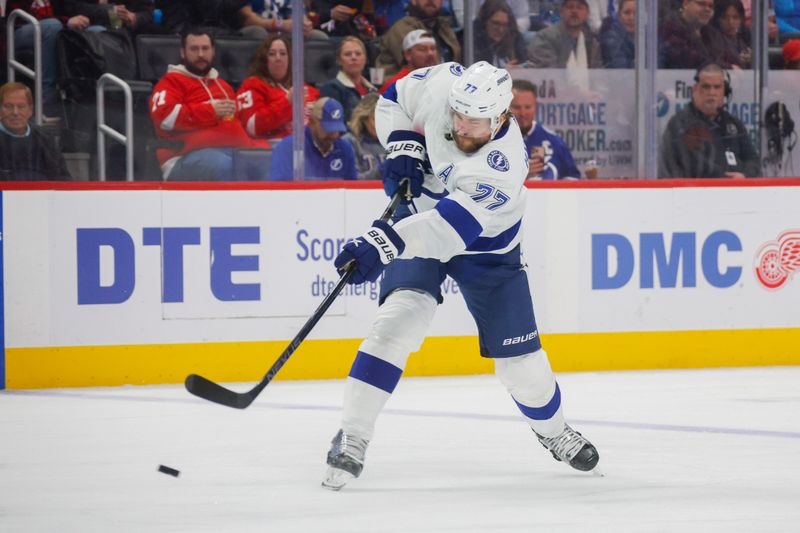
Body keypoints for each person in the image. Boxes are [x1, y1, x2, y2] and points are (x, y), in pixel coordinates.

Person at [320, 61, 600, 491]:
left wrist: (383, 243)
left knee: (521, 365)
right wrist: (404, 145)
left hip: (484, 250)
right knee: (396, 324)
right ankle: (352, 435)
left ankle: (554, 430)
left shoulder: (504, 166)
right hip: (422, 225)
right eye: (459, 116)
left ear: (502, 118)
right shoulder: (444, 86)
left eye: (476, 122)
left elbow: (444, 232)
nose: (463, 128)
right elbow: (392, 100)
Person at [149, 28, 270, 180]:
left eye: (205, 48)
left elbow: (242, 125)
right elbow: (165, 118)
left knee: (269, 160)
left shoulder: (223, 86)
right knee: (227, 166)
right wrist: (210, 110)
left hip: (233, 152)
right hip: (184, 158)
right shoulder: (170, 82)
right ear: (182, 53)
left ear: (213, 51)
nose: (200, 54)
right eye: (194, 49)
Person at [659, 63, 760, 178]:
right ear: (695, 90)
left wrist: (745, 175)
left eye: (717, 87)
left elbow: (752, 159)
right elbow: (696, 166)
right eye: (706, 87)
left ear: (725, 92)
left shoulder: (733, 124)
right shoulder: (680, 124)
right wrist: (727, 180)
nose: (712, 93)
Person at [237, 35, 320, 141]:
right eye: (272, 54)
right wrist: (287, 102)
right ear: (264, 59)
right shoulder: (253, 85)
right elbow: (251, 126)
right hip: (274, 147)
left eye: (283, 53)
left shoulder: (306, 89)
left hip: (309, 146)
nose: (278, 58)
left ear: (290, 59)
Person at [270, 97, 357, 180]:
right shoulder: (290, 147)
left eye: (337, 129)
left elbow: (352, 188)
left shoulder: (345, 149)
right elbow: (279, 189)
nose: (334, 135)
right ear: (312, 122)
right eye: (328, 129)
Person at [511, 79, 581, 180]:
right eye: (517, 107)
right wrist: (520, 176)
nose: (523, 113)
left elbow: (573, 179)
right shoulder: (493, 142)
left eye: (528, 107)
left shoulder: (554, 141)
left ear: (536, 106)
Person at [0, 82, 70, 180]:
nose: (15, 112)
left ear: (30, 110)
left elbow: (63, 180)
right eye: (8, 106)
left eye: (21, 106)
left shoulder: (45, 139)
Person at [376, 0, 462, 78]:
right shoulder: (402, 28)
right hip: (403, 89)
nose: (431, 0)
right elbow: (421, 67)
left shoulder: (444, 28)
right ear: (413, 1)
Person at [658, 0, 740, 69]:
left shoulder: (712, 33)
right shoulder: (670, 29)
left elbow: (731, 58)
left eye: (711, 6)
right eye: (701, 4)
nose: (707, 9)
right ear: (686, 4)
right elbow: (688, 59)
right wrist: (728, 67)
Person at [526, 0, 603, 69]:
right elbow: (548, 71)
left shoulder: (592, 43)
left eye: (579, 8)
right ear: (561, 12)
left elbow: (598, 74)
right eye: (570, 7)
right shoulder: (544, 37)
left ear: (587, 14)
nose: (574, 11)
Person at [319, 36, 378, 123]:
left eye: (358, 54)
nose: (354, 58)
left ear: (365, 59)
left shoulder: (373, 90)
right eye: (348, 54)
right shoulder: (331, 89)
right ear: (339, 60)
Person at [379, 29, 440, 93]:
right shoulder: (395, 86)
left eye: (433, 48)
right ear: (407, 55)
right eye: (422, 49)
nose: (430, 53)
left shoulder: (443, 78)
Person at [343, 93, 385, 179]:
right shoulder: (349, 142)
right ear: (364, 119)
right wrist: (381, 170)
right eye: (374, 119)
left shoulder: (392, 142)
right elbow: (352, 181)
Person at [473, 0, 528, 68]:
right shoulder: (472, 41)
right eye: (496, 24)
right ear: (484, 22)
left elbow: (523, 63)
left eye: (505, 25)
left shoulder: (515, 37)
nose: (501, 30)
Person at [711, 0, 752, 69]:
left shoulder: (746, 38)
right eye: (724, 18)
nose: (730, 22)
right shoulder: (711, 38)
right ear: (717, 19)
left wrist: (752, 59)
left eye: (735, 17)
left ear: (741, 18)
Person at [600, 0, 636, 68]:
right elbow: (619, 67)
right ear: (619, 16)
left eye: (636, 13)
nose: (631, 18)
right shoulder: (610, 38)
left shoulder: (650, 37)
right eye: (627, 13)